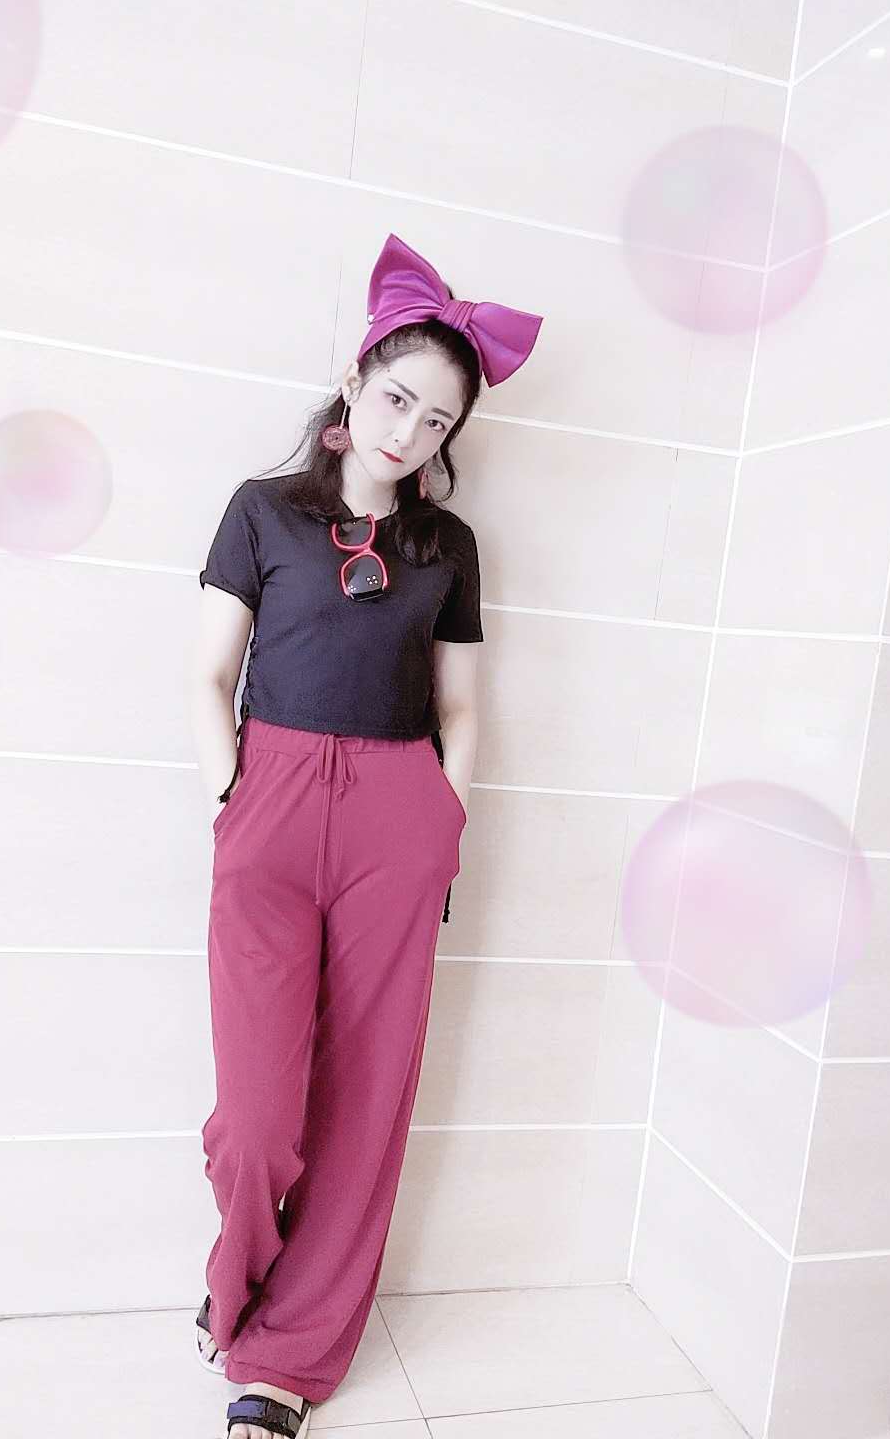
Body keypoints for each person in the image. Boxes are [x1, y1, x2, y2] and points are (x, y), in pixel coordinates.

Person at [191, 233, 543, 1439]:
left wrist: (444, 817)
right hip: (272, 805)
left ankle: (283, 1362)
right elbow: (206, 675)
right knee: (257, 1120)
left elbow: (463, 708)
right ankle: (237, 1280)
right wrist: (231, 795)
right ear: (354, 383)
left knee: (367, 1101)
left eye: (438, 421)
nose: (409, 432)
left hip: (400, 817)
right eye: (397, 399)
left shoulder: (448, 549)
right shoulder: (263, 513)